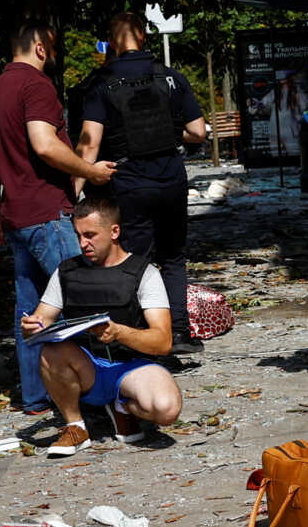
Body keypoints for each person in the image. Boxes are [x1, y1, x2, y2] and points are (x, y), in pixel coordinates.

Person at [0, 22, 115, 412]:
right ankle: (102, 394)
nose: (52, 56)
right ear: (39, 48)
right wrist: (90, 172)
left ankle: (37, 398)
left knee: (31, 311)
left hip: (16, 215)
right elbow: (44, 144)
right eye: (51, 48)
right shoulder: (36, 86)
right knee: (86, 299)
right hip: (47, 212)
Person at [76, 11, 208, 358]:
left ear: (112, 41)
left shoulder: (101, 84)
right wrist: (166, 130)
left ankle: (140, 338)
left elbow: (90, 144)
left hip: (130, 184)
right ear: (143, 37)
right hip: (171, 179)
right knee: (174, 258)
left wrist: (74, 186)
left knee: (134, 261)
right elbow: (198, 131)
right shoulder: (171, 78)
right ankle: (178, 332)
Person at [18, 195, 184, 456]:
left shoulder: (144, 273)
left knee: (166, 409)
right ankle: (75, 427)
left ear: (114, 231)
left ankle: (123, 407)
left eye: (90, 235)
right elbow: (42, 318)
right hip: (87, 367)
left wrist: (119, 332)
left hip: (132, 366)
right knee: (50, 349)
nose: (83, 244)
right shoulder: (66, 272)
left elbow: (163, 342)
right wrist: (32, 325)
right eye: (78, 235)